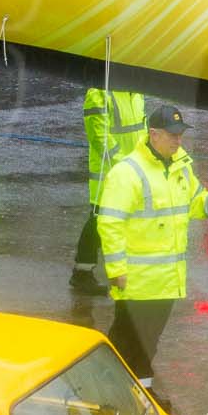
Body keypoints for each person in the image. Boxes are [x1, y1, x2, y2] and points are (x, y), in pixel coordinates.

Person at [97, 103, 208, 397]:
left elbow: (195, 203)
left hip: (165, 281)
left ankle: (136, 396)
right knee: (128, 342)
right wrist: (116, 271)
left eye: (180, 135)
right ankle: (114, 396)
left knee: (147, 343)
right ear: (153, 134)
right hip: (138, 283)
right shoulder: (127, 173)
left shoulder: (180, 167)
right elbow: (109, 223)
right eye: (172, 135)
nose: (179, 141)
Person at [71, 88, 146, 294]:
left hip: (132, 171)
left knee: (123, 221)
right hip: (109, 174)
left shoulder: (136, 93)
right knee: (98, 221)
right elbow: (99, 137)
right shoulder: (99, 93)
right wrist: (125, 164)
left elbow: (142, 130)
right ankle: (82, 273)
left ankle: (123, 271)